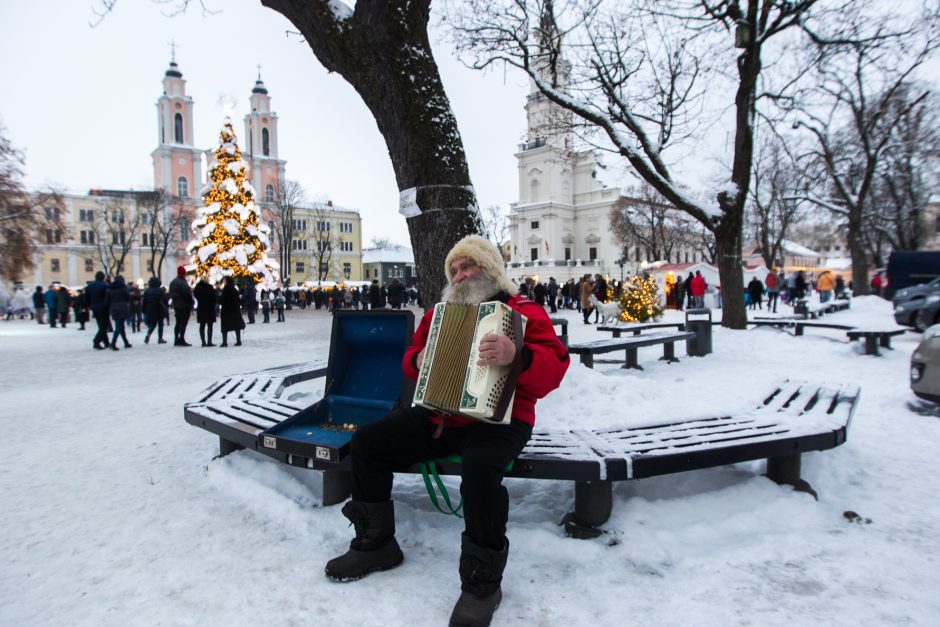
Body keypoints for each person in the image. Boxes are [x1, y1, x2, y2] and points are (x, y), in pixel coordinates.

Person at [325, 235, 569, 626]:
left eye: (468, 265)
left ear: (490, 270)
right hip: (440, 417)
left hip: (503, 421)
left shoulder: (524, 312)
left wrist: (518, 356)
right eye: (454, 269)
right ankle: (376, 544)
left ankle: (481, 582)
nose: (460, 274)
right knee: (368, 442)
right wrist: (418, 359)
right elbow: (410, 359)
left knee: (479, 467)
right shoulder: (439, 314)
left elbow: (554, 369)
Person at [169, 266, 194, 346]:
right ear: (184, 273)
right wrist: (191, 302)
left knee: (178, 322)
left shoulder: (173, 282)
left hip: (176, 305)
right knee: (183, 323)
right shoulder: (183, 283)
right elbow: (186, 294)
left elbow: (171, 293)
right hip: (184, 306)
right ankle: (181, 339)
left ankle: (176, 339)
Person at [106, 275, 132, 350]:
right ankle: (113, 343)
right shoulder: (123, 288)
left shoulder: (109, 289)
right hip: (122, 308)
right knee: (119, 327)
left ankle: (126, 342)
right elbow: (128, 298)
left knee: (120, 326)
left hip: (113, 308)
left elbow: (107, 301)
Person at [86, 271, 111, 349]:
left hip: (94, 307)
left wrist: (89, 305)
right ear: (103, 277)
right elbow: (108, 296)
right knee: (104, 326)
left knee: (100, 325)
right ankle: (96, 341)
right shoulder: (105, 285)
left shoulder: (89, 286)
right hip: (104, 307)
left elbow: (86, 297)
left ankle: (106, 342)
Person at [219, 275, 245, 347]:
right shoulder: (235, 290)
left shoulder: (225, 290)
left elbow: (222, 301)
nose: (223, 282)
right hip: (235, 311)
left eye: (224, 281)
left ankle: (224, 342)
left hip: (226, 311)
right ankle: (238, 341)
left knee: (225, 327)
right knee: (237, 326)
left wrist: (219, 300)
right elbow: (239, 300)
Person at [193, 276, 218, 347]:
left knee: (202, 325)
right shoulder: (209, 287)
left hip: (201, 308)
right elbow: (214, 297)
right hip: (209, 308)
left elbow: (196, 295)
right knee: (210, 325)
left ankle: (203, 342)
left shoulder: (197, 287)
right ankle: (209, 342)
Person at [142, 276, 168, 344]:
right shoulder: (160, 290)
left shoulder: (147, 291)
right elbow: (165, 300)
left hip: (150, 310)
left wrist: (144, 311)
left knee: (153, 324)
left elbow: (144, 302)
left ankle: (148, 334)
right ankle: (160, 338)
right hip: (159, 309)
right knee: (160, 324)